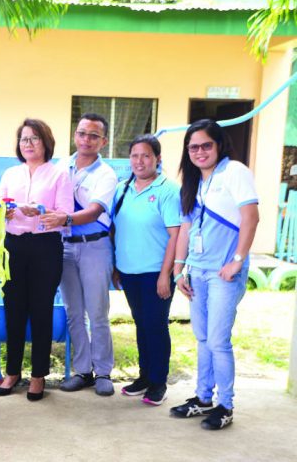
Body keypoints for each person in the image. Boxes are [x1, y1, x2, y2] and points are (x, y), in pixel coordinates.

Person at [170, 119, 259, 430]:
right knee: (203, 338)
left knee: (219, 340)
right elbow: (187, 228)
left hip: (224, 273)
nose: (199, 152)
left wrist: (237, 259)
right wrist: (180, 268)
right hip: (198, 271)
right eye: (193, 147)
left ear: (219, 145)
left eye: (206, 145)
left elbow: (251, 217)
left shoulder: (234, 171)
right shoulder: (195, 181)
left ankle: (226, 405)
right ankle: (203, 397)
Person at [0, 118, 73, 401]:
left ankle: (38, 375)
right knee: (13, 310)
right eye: (23, 139)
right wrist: (6, 211)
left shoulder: (59, 174)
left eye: (34, 138)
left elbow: (64, 215)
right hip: (13, 247)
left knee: (40, 312)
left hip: (45, 247)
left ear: (46, 142)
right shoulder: (10, 174)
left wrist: (37, 212)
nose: (28, 144)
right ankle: (12, 372)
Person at [44, 113, 118, 397]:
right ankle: (82, 371)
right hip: (64, 247)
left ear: (104, 141)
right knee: (74, 312)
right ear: (75, 135)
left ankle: (103, 372)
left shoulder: (106, 174)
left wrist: (64, 219)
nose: (86, 140)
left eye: (93, 135)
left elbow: (95, 211)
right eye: (82, 133)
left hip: (94, 246)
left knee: (97, 312)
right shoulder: (62, 168)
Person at [110, 134, 181, 406]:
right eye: (135, 156)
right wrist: (117, 265)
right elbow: (116, 229)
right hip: (129, 271)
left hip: (156, 273)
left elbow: (175, 236)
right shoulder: (122, 189)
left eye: (146, 155)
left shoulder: (168, 190)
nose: (140, 161)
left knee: (156, 325)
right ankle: (144, 376)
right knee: (141, 324)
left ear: (158, 159)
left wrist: (166, 274)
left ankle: (159, 381)